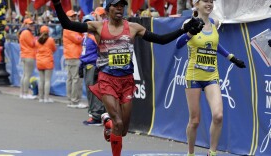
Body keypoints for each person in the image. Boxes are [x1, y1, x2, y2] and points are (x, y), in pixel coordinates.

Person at [51, 0, 204, 155]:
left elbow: (161, 40)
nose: (119, 8)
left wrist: (184, 29)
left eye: (122, 6)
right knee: (118, 122)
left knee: (122, 130)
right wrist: (57, 4)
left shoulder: (133, 28)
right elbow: (67, 24)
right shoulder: (98, 27)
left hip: (126, 82)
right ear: (108, 8)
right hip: (107, 80)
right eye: (116, 5)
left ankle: (108, 124)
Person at [175, 0, 246, 156]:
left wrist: (232, 58)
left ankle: (212, 153)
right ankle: (191, 153)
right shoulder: (189, 22)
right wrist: (190, 33)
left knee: (218, 116)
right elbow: (178, 44)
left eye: (211, 1)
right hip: (194, 75)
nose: (209, 4)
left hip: (211, 75)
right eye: (205, 1)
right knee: (194, 121)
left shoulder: (215, 23)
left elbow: (214, 45)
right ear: (196, 4)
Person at [80, 14, 106, 126]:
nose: (88, 24)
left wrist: (98, 65)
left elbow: (103, 49)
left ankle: (96, 116)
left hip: (93, 65)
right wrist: (81, 66)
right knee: (90, 92)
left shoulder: (94, 36)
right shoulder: (85, 36)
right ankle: (93, 114)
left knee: (94, 91)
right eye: (85, 22)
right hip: (86, 65)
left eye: (89, 22)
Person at [62, 10, 86, 108]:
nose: (74, 18)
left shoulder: (69, 28)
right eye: (72, 16)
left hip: (71, 56)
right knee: (76, 79)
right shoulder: (68, 28)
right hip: (74, 56)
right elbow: (78, 39)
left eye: (75, 16)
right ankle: (75, 101)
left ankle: (71, 100)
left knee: (71, 79)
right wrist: (83, 34)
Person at [35, 25, 57, 103]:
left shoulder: (37, 40)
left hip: (39, 61)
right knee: (47, 80)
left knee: (41, 80)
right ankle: (46, 98)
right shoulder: (50, 40)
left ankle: (40, 97)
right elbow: (54, 49)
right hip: (48, 61)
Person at [19, 18, 37, 99]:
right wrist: (36, 39)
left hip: (25, 55)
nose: (32, 26)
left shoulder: (24, 32)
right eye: (30, 24)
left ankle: (23, 93)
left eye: (32, 24)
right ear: (26, 25)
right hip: (29, 55)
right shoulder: (26, 32)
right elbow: (32, 43)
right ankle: (25, 93)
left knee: (25, 75)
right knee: (27, 75)